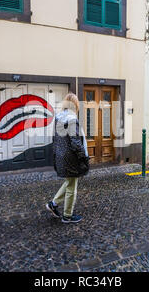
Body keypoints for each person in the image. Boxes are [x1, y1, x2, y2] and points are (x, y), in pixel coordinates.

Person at [46, 93, 89, 223]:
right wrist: (83, 157)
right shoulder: (71, 119)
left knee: (69, 182)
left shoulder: (58, 118)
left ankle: (53, 204)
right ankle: (67, 216)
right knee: (72, 186)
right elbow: (75, 142)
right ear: (75, 105)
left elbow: (57, 139)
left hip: (60, 155)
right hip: (71, 157)